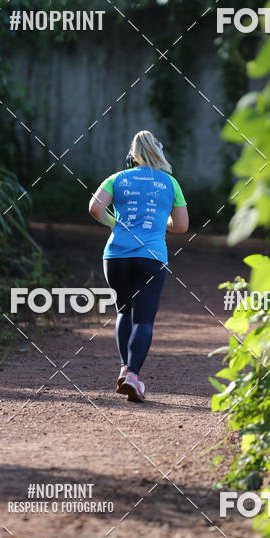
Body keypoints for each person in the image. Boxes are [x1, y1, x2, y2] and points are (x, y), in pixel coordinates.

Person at [88, 130, 189, 402]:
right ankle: (133, 376)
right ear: (159, 152)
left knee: (124, 310)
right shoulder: (170, 183)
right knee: (143, 319)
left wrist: (115, 224)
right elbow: (181, 226)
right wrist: (161, 223)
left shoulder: (116, 178)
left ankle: (124, 370)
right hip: (151, 257)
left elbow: (95, 209)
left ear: (133, 155)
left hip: (116, 255)